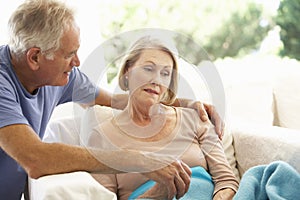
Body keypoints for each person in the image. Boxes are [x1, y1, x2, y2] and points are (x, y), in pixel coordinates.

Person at [0, 0, 224, 199]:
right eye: (69, 54)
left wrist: (185, 103)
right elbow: (36, 158)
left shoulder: (63, 76)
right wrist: (138, 160)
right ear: (35, 57)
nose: (77, 62)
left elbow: (115, 100)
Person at [87, 36, 239, 200]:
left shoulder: (194, 118)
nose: (156, 80)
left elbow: (227, 181)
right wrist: (156, 195)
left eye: (165, 73)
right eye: (148, 69)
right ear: (127, 71)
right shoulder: (101, 137)